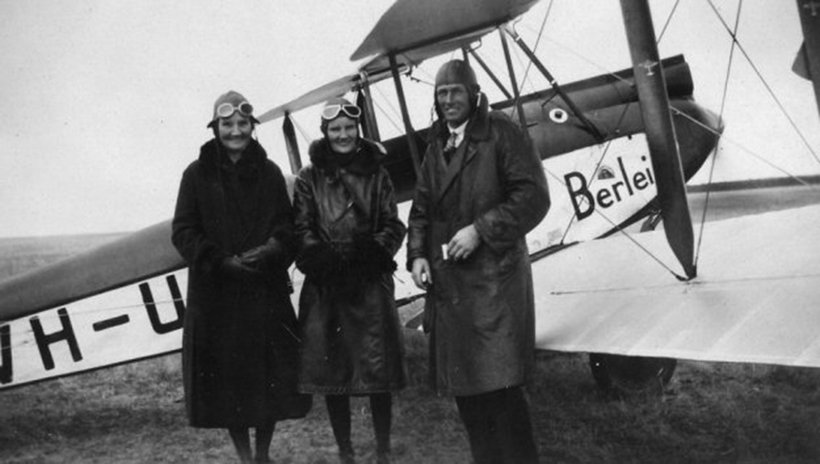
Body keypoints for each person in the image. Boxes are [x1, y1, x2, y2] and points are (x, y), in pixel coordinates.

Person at [406, 60, 550, 464]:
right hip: (452, 292)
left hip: (495, 289)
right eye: (441, 93)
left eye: (455, 91)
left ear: (474, 93)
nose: (448, 99)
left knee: (502, 395)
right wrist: (417, 254)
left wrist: (480, 230)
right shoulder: (438, 144)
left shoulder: (501, 132)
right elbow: (421, 208)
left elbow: (534, 196)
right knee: (470, 400)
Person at [172, 90, 311, 463]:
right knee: (230, 383)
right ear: (215, 128)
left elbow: (287, 228)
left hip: (263, 292)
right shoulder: (195, 174)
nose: (235, 130)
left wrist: (271, 252)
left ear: (252, 126)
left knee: (269, 380)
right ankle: (244, 456)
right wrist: (219, 261)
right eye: (227, 124)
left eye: (242, 123)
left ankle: (263, 454)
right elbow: (183, 231)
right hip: (217, 297)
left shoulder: (268, 173)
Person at [293, 98, 407, 464]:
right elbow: (302, 227)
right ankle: (345, 450)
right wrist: (324, 260)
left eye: (348, 128)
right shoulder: (308, 177)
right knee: (334, 373)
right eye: (334, 129)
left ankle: (384, 448)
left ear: (358, 131)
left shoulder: (379, 174)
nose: (342, 135)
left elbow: (393, 223)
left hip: (369, 280)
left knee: (378, 372)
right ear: (325, 133)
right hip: (327, 286)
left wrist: (372, 253)